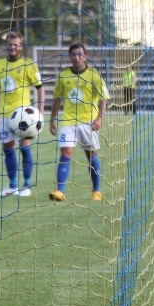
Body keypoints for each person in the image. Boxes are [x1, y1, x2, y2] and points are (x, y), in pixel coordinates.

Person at [48, 43, 109, 202]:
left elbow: (103, 100)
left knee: (91, 155)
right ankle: (60, 191)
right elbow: (57, 99)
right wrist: (52, 119)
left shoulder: (94, 75)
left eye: (80, 54)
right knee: (65, 154)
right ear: (69, 56)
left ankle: (96, 191)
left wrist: (99, 119)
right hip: (69, 122)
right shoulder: (63, 76)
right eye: (73, 54)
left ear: (85, 56)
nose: (77, 57)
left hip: (89, 122)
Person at [0, 31, 44, 197]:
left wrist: (40, 111)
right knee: (8, 149)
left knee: (24, 147)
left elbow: (40, 88)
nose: (12, 47)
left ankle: (26, 186)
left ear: (21, 46)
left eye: (16, 44)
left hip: (24, 116)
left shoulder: (29, 65)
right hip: (5, 115)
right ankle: (12, 186)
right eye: (10, 44)